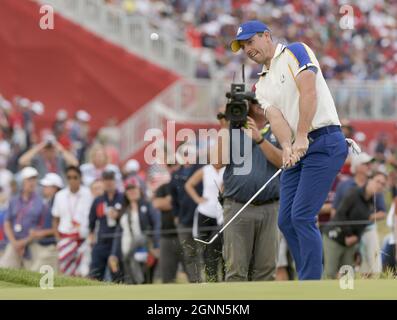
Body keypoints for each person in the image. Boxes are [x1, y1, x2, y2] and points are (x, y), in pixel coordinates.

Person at [231, 20, 349, 279]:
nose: (247, 49)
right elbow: (276, 119)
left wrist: (302, 136)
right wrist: (286, 146)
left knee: (302, 216)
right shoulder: (259, 85)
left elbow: (309, 92)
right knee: (286, 220)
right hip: (299, 145)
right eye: (243, 46)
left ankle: (310, 283)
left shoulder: (296, 51)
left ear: (266, 36)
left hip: (324, 140)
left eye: (250, 41)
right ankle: (308, 276)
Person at [214, 93, 282, 282]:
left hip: (270, 206)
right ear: (247, 106)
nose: (259, 105)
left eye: (262, 100)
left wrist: (260, 139)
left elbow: (283, 161)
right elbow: (217, 162)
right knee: (236, 270)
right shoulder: (234, 130)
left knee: (266, 270)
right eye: (254, 101)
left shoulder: (279, 127)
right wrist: (225, 128)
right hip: (237, 206)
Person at [323, 172, 387, 279]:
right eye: (377, 181)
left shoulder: (371, 202)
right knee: (330, 273)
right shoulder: (354, 193)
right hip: (334, 236)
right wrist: (349, 235)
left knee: (347, 275)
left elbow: (363, 224)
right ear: (369, 180)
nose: (379, 185)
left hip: (351, 241)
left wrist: (356, 237)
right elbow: (340, 214)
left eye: (383, 184)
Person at [108, 177, 160, 284]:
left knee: (145, 278)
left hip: (144, 249)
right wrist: (113, 254)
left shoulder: (147, 205)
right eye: (128, 189)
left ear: (139, 189)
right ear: (125, 192)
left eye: (134, 188)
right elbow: (118, 234)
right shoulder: (123, 210)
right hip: (125, 250)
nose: (131, 191)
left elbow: (156, 224)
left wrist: (156, 245)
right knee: (129, 279)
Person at [0, 167, 47, 270]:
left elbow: (40, 227)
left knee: (34, 276)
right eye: (29, 179)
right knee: (4, 271)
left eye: (34, 179)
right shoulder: (13, 200)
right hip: (13, 243)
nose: (32, 183)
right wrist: (15, 243)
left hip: (32, 244)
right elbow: (7, 223)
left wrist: (24, 242)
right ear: (22, 181)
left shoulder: (41, 202)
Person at [185, 164, 225, 282]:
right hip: (205, 213)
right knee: (206, 248)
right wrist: (198, 199)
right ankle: (211, 279)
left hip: (221, 214)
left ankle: (225, 279)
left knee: (221, 247)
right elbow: (189, 185)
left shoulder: (228, 169)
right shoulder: (205, 170)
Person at [169, 143, 203, 283]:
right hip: (184, 220)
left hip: (202, 219)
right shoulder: (176, 175)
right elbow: (174, 198)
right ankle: (196, 282)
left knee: (207, 252)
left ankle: (213, 281)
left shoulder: (202, 170)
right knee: (189, 253)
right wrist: (176, 215)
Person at [52, 166, 93, 276]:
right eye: (69, 177)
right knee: (65, 273)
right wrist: (57, 239)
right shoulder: (59, 195)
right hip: (65, 238)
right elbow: (55, 219)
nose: (72, 180)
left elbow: (93, 218)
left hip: (83, 240)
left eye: (75, 177)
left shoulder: (88, 194)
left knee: (83, 273)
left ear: (80, 178)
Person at [88, 169, 124, 281]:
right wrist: (91, 235)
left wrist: (119, 214)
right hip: (102, 239)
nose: (109, 183)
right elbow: (92, 221)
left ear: (115, 181)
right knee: (96, 272)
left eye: (111, 180)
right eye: (106, 180)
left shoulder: (122, 197)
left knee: (117, 274)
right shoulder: (98, 200)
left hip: (118, 239)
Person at [152, 162, 184, 283]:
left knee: (194, 275)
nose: (173, 168)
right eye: (170, 165)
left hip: (185, 233)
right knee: (167, 278)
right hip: (167, 235)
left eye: (175, 165)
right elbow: (157, 204)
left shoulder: (185, 184)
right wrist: (176, 200)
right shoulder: (163, 187)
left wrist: (170, 201)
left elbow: (185, 203)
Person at [27, 173, 64, 272]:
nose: (44, 188)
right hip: (43, 245)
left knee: (35, 274)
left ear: (55, 188)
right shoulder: (49, 202)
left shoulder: (59, 202)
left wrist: (41, 233)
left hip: (52, 245)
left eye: (47, 186)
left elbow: (60, 227)